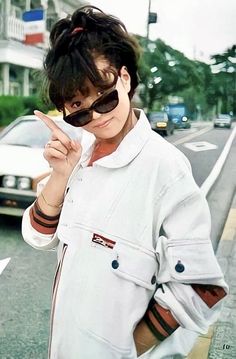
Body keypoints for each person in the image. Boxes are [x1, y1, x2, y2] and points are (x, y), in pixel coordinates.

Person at [22, 5, 228, 359]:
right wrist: (61, 174)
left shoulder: (166, 168)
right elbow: (37, 237)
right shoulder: (80, 151)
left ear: (125, 78)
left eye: (104, 97)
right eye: (80, 110)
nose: (97, 118)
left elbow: (200, 288)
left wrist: (125, 349)